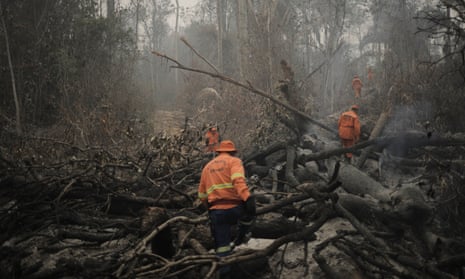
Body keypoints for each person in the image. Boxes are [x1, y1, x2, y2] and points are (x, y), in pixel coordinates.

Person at [198, 140, 256, 277]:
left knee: (222, 245)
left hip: (216, 211)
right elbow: (238, 182)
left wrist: (210, 209)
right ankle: (242, 237)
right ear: (233, 152)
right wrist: (248, 198)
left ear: (218, 152)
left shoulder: (207, 167)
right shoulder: (234, 161)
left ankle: (225, 272)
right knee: (249, 217)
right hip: (235, 208)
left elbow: (201, 195)